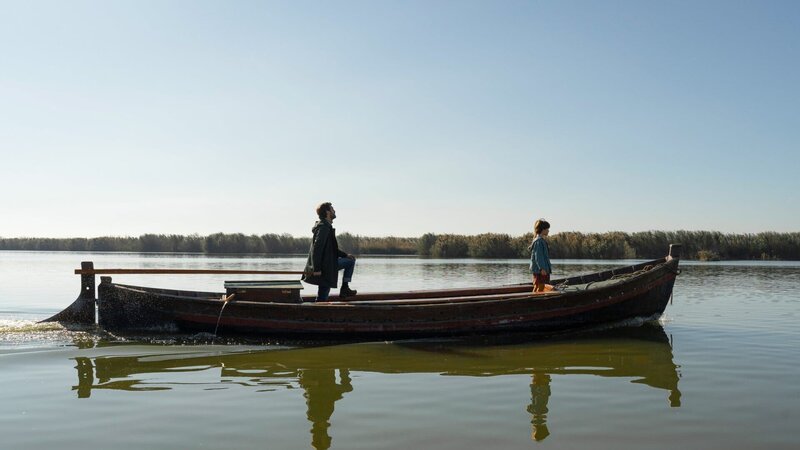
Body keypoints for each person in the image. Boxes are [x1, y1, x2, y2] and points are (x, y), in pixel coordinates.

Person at [302, 202, 358, 301]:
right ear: (328, 212)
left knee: (323, 294)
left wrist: (345, 255)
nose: (334, 211)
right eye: (332, 209)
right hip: (326, 266)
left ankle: (318, 311)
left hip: (327, 265)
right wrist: (317, 269)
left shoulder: (325, 226)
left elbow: (332, 250)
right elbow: (317, 248)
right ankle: (344, 288)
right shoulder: (324, 227)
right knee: (350, 262)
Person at [529, 219, 552, 293]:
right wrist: (542, 269)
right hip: (540, 271)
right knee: (540, 287)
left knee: (540, 286)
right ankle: (535, 301)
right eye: (547, 229)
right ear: (542, 230)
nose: (548, 231)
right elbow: (538, 257)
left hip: (542, 270)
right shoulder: (538, 241)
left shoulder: (541, 240)